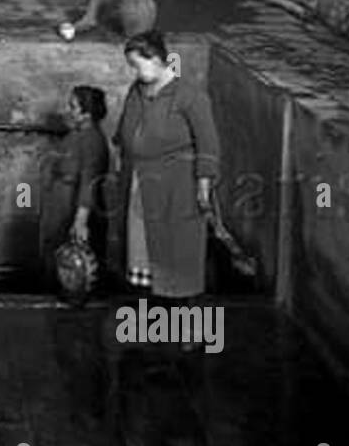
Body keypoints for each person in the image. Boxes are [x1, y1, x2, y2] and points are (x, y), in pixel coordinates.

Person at [113, 31, 219, 302]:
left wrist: (203, 185)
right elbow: (125, 128)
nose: (135, 72)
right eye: (132, 66)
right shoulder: (136, 91)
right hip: (140, 180)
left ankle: (188, 329)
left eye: (138, 64)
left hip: (177, 184)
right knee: (142, 248)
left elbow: (208, 143)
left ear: (157, 58)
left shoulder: (190, 96)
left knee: (178, 252)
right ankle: (153, 322)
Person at [41, 86, 111, 282]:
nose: (69, 111)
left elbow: (89, 181)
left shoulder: (92, 140)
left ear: (87, 113)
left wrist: (80, 220)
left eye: (73, 107)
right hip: (62, 205)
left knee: (73, 267)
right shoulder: (77, 135)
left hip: (72, 207)